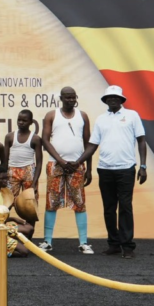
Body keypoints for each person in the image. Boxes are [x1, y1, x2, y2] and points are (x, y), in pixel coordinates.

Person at [74, 85, 146, 259]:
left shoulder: (132, 115)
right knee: (109, 208)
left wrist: (143, 166)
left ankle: (127, 246)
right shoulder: (101, 119)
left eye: (116, 97)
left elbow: (141, 141)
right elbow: (92, 145)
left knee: (125, 207)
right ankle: (113, 244)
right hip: (105, 169)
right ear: (105, 100)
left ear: (121, 100)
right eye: (109, 97)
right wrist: (78, 162)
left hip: (126, 169)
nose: (112, 100)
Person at [39, 87, 93, 254]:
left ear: (76, 98)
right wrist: (60, 161)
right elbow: (45, 140)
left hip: (77, 165)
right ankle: (47, 241)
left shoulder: (82, 116)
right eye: (67, 97)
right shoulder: (52, 115)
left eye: (73, 97)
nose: (70, 100)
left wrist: (87, 167)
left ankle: (83, 242)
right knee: (51, 201)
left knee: (79, 202)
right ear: (61, 98)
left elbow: (88, 143)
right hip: (55, 165)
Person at [4, 110, 42, 198]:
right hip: (12, 170)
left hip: (28, 170)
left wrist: (34, 183)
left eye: (24, 121)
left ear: (31, 122)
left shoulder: (35, 139)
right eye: (19, 120)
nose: (21, 122)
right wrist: (4, 177)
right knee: (9, 199)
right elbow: (5, 160)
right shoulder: (9, 137)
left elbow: (39, 162)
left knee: (30, 201)